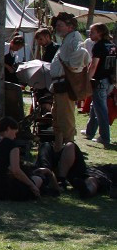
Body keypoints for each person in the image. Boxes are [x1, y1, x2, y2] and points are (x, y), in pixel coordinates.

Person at [0, 117, 58, 200]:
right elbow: (16, 171)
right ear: (8, 129)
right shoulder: (11, 145)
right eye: (14, 133)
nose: (15, 136)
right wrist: (32, 185)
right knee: (38, 179)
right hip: (2, 190)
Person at [49, 12, 90, 151]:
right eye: (57, 25)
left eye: (60, 25)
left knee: (66, 122)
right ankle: (59, 150)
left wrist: (73, 66)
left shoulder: (74, 39)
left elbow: (83, 54)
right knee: (58, 121)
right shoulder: (67, 39)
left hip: (65, 85)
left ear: (70, 27)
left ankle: (68, 152)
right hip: (60, 85)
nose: (57, 28)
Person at [84, 23, 114, 146]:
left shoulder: (98, 46)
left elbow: (94, 65)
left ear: (100, 33)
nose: (90, 34)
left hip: (100, 80)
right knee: (94, 106)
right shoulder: (111, 45)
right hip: (109, 80)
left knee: (100, 109)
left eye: (92, 31)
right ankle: (89, 132)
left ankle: (104, 137)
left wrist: (87, 79)